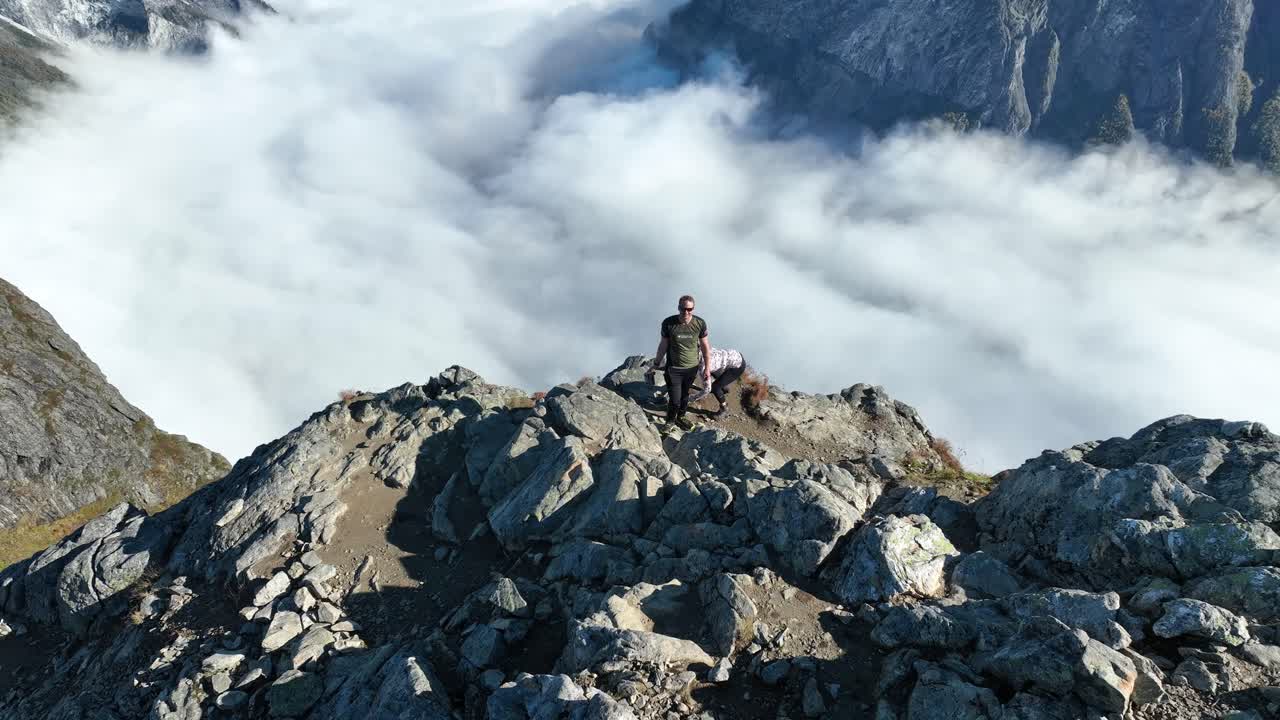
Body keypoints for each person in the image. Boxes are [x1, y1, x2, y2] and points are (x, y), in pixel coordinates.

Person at [647, 294, 711, 431]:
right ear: (678, 307)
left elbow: (705, 346)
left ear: (693, 309)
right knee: (675, 399)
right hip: (673, 369)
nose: (686, 312)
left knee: (684, 396)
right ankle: (670, 421)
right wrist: (656, 363)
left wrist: (707, 368)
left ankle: (681, 417)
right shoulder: (668, 323)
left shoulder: (699, 323)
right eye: (683, 309)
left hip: (691, 368)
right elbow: (663, 345)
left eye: (689, 309)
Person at [689, 347, 747, 418]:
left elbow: (707, 390)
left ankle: (724, 408)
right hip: (735, 355)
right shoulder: (703, 348)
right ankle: (724, 387)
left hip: (738, 366)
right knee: (714, 369)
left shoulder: (703, 367)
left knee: (715, 387)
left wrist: (692, 398)